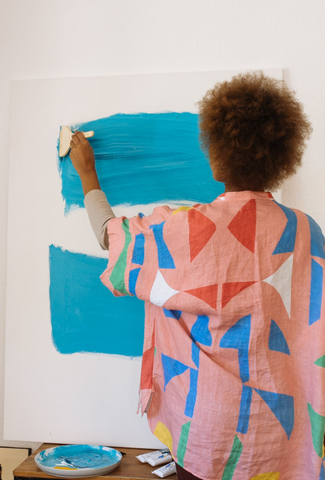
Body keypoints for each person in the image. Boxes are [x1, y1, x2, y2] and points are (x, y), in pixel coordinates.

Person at [69, 72, 323, 480]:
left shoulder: (182, 230)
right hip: (281, 435)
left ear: (216, 154)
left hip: (209, 433)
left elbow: (114, 242)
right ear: (281, 157)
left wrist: (88, 176)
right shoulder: (307, 231)